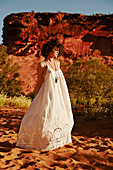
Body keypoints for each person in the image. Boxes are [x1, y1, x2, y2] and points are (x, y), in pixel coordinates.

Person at [16, 39, 74, 151]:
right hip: (47, 93)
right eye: (55, 50)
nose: (57, 52)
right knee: (46, 114)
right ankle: (42, 141)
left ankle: (57, 139)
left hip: (59, 93)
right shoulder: (42, 65)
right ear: (49, 50)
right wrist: (35, 96)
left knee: (59, 113)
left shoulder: (58, 63)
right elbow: (39, 82)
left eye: (58, 50)